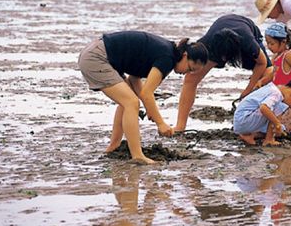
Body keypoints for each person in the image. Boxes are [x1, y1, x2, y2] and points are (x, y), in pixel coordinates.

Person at [78, 31, 208, 164]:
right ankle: (137, 155)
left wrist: (150, 109)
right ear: (185, 55)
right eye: (190, 68)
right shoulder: (167, 58)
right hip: (97, 58)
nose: (188, 73)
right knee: (131, 102)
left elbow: (135, 79)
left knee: (128, 101)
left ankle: (113, 147)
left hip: (95, 52)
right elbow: (147, 93)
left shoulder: (167, 52)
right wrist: (161, 123)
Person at [175, 14, 273, 131]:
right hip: (217, 41)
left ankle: (264, 123)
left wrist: (249, 89)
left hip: (244, 34)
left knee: (268, 73)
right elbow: (190, 79)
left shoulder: (248, 42)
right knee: (191, 79)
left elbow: (262, 63)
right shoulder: (206, 44)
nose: (223, 60)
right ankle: (180, 126)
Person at [233, 79, 291, 146]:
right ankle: (269, 140)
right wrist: (277, 123)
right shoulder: (276, 94)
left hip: (241, 122)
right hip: (244, 119)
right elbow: (263, 108)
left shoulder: (273, 88)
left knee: (278, 121)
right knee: (279, 108)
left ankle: (248, 135)